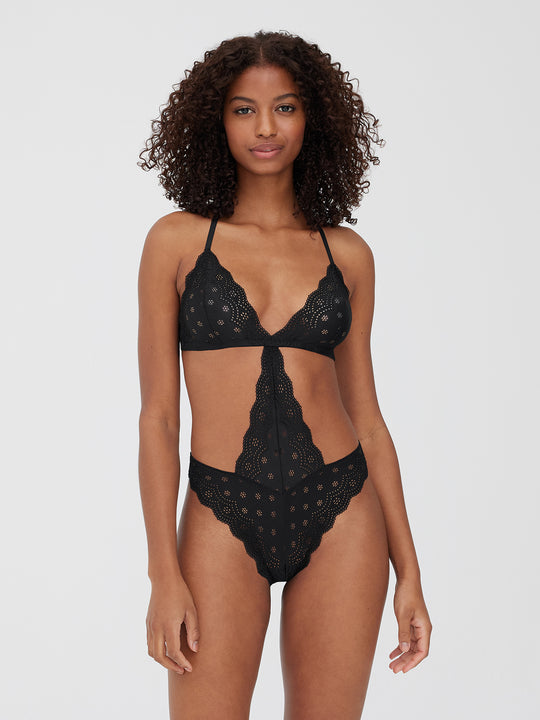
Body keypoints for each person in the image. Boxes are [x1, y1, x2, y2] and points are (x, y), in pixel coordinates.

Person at [137, 29, 432, 720]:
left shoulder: (347, 254)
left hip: (344, 512)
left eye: (285, 107)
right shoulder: (176, 241)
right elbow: (158, 417)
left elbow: (368, 419)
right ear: (216, 121)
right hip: (220, 510)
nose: (265, 128)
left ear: (312, 118)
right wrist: (162, 575)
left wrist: (410, 573)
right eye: (244, 109)